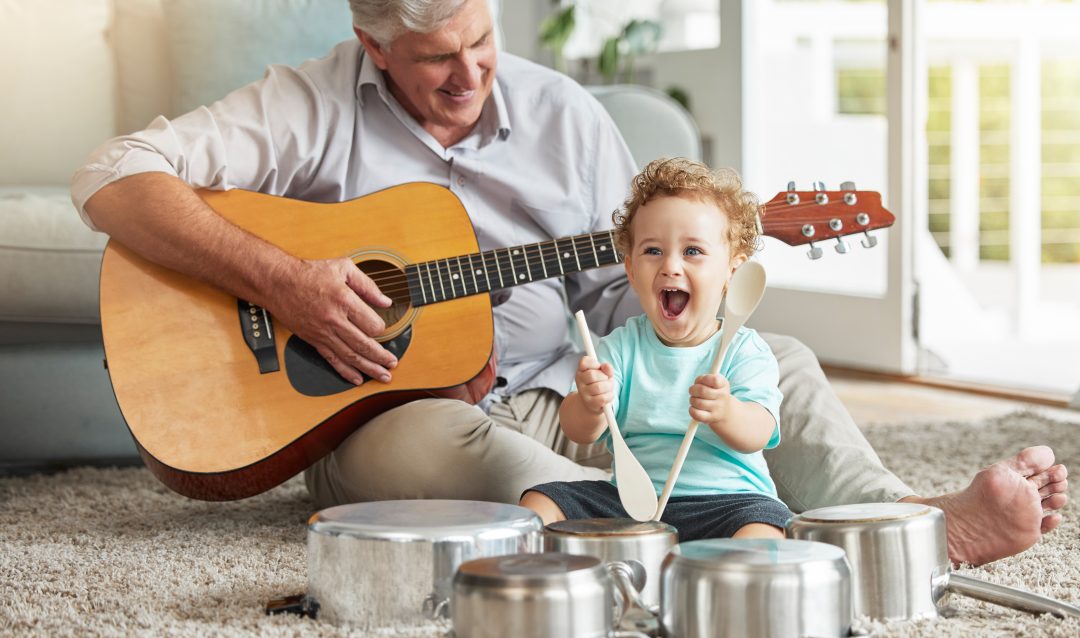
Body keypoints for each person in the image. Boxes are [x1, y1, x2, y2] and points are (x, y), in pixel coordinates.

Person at [71, 0, 1066, 566]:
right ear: (374, 48)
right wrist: (286, 283)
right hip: (400, 428)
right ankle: (672, 536)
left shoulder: (567, 116)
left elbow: (632, 305)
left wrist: (686, 292)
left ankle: (908, 528)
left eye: (481, 42)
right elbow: (110, 177)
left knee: (780, 362)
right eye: (434, 61)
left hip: (584, 397)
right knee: (447, 438)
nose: (470, 77)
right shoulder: (306, 105)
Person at [522, 158, 792, 541]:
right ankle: (555, 588)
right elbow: (579, 431)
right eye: (653, 251)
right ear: (631, 271)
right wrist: (588, 403)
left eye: (693, 251)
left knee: (764, 529)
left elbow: (759, 433)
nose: (670, 267)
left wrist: (726, 411)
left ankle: (726, 587)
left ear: (733, 271)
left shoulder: (744, 350)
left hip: (728, 502)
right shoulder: (619, 347)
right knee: (539, 502)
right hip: (632, 503)